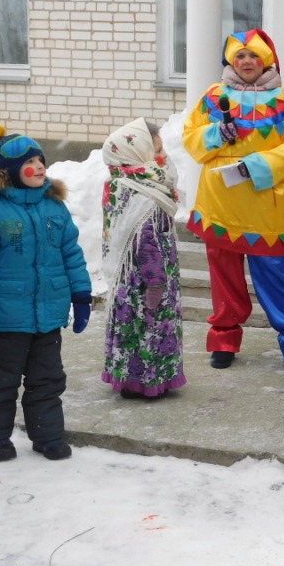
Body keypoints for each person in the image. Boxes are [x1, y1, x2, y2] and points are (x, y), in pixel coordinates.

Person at [183, 29, 284, 376]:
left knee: (276, 279)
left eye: (253, 56)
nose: (246, 62)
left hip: (264, 207)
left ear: (266, 61)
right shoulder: (213, 96)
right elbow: (191, 139)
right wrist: (215, 134)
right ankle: (224, 340)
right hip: (220, 203)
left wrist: (254, 166)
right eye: (240, 56)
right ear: (231, 61)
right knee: (223, 277)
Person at [0, 125, 92, 462]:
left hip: (48, 314)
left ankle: (48, 437)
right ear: (10, 171)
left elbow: (70, 254)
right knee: (2, 380)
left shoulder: (53, 207)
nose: (40, 167)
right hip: (8, 316)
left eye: (40, 160)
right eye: (30, 162)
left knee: (47, 379)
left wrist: (80, 293)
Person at [101, 118, 186, 399]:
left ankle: (133, 379)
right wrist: (157, 282)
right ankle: (147, 382)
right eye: (156, 151)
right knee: (148, 329)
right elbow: (146, 241)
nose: (162, 157)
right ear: (135, 154)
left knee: (134, 333)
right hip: (146, 281)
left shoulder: (127, 183)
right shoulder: (142, 194)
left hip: (135, 281)